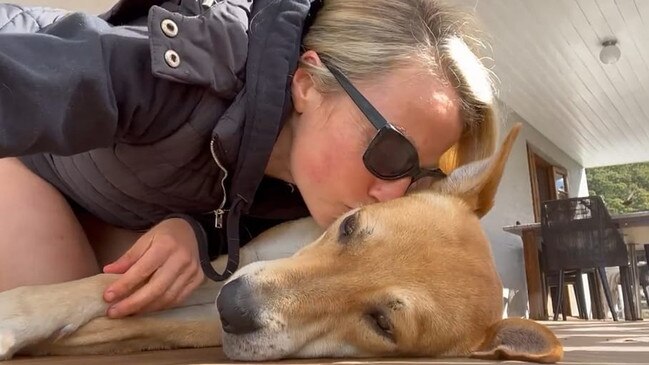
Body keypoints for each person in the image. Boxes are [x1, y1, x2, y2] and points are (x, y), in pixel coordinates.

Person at [0, 0, 498, 319]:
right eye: (391, 151)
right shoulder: (194, 65)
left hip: (104, 203)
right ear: (307, 83)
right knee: (62, 331)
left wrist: (189, 231)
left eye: (417, 174)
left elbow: (222, 211)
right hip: (24, 160)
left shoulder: (312, 193)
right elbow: (24, 84)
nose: (392, 194)